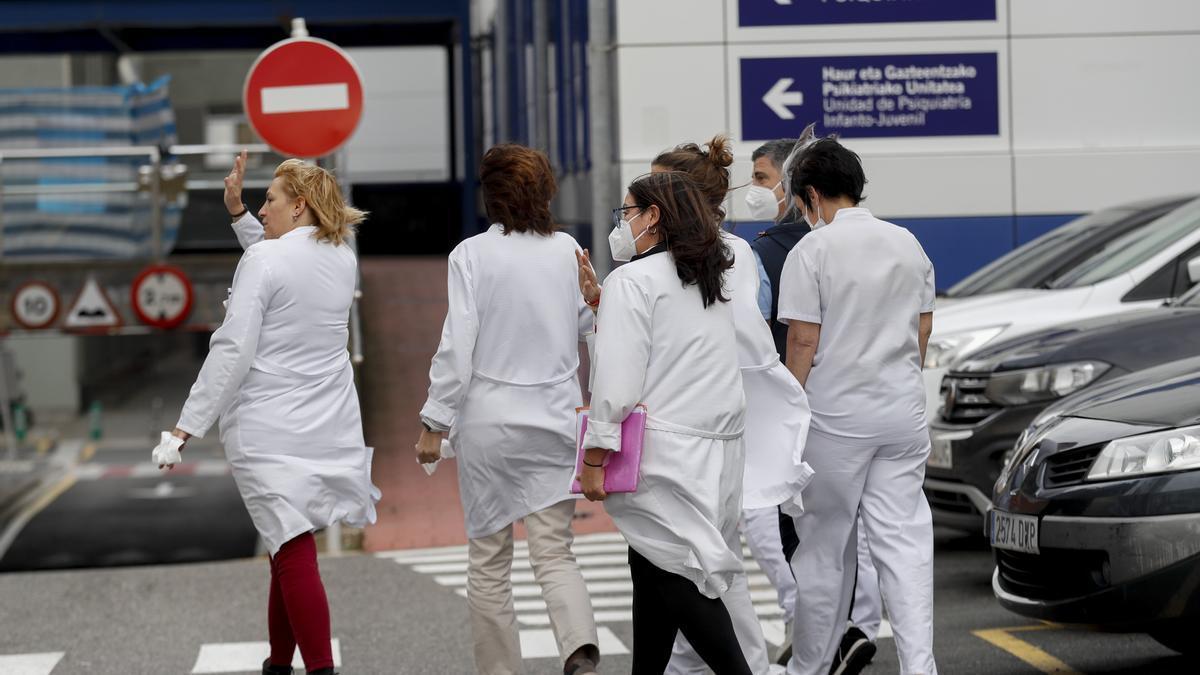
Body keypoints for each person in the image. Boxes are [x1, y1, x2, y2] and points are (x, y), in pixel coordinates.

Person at [162, 150, 379, 675]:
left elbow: (233, 348)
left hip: (266, 424)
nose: (262, 211)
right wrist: (238, 214)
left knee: (290, 545)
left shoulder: (265, 261)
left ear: (299, 205)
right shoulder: (340, 255)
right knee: (286, 542)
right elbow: (277, 263)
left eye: (269, 200)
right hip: (325, 420)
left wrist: (185, 426)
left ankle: (320, 669)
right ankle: (277, 665)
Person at [416, 144, 600, 675]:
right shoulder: (568, 249)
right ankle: (579, 647)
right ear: (546, 192)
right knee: (555, 553)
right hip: (556, 417)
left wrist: (434, 421)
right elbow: (592, 326)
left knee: (489, 563)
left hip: (489, 423)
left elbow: (458, 345)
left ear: (491, 196)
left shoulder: (470, 254)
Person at [648, 137, 813, 673]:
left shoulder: (689, 261)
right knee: (695, 560)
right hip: (719, 427)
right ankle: (693, 664)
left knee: (702, 561)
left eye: (650, 196)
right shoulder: (738, 254)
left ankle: (746, 666)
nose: (639, 210)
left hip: (690, 432)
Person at [578, 170, 753, 674]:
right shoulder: (705, 275)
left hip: (663, 453)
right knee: (652, 563)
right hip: (716, 449)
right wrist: (601, 306)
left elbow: (617, 379)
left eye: (628, 212)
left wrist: (595, 453)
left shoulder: (633, 280)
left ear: (653, 217)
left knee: (680, 571)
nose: (623, 223)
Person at [777, 138, 938, 675]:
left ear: (812, 196)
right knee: (904, 541)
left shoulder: (812, 250)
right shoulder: (907, 242)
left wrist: (789, 411)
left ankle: (811, 668)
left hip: (835, 418)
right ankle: (921, 667)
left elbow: (802, 340)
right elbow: (923, 327)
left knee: (824, 550)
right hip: (901, 413)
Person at [752, 132, 883, 672]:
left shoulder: (775, 249)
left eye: (761, 179)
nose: (754, 190)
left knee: (798, 533)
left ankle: (821, 636)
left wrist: (789, 404)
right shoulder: (887, 241)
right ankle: (852, 629)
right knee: (857, 533)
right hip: (871, 405)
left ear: (795, 186)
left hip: (805, 404)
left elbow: (789, 338)